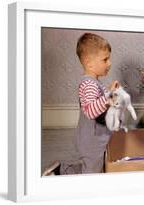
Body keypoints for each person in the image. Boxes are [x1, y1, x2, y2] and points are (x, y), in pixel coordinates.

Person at [42, 33, 118, 176]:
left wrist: (112, 94)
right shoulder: (88, 84)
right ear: (89, 63)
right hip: (91, 142)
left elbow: (102, 101)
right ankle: (61, 170)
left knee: (98, 168)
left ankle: (61, 168)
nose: (110, 63)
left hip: (99, 139)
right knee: (92, 174)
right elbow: (90, 110)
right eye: (105, 59)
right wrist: (108, 98)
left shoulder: (95, 83)